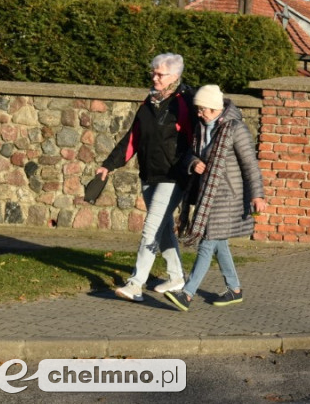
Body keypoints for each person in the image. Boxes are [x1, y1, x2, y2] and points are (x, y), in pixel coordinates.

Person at [96, 53, 194, 302]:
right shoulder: (149, 102)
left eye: (160, 74)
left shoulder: (184, 103)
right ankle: (176, 277)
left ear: (174, 76)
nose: (154, 77)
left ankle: (136, 284)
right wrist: (108, 166)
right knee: (162, 230)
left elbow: (196, 139)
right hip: (149, 174)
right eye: (153, 72)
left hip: (173, 177)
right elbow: (133, 138)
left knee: (151, 227)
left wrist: (194, 167)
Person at [165, 85, 267, 311]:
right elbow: (190, 155)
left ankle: (187, 294)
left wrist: (257, 195)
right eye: (198, 109)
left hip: (227, 197)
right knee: (219, 243)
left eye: (203, 110)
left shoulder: (235, 129)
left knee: (207, 242)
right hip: (207, 194)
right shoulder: (202, 128)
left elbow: (250, 165)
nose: (199, 113)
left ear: (215, 108)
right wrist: (193, 163)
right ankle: (234, 289)